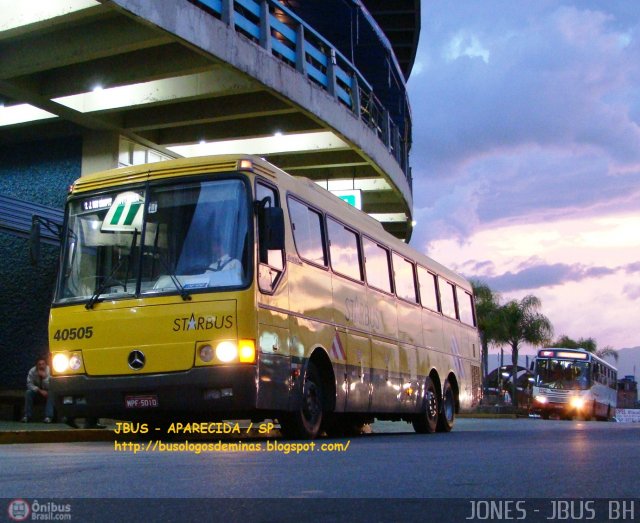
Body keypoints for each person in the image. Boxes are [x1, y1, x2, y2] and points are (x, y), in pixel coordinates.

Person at [22, 355, 54, 423]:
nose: (41, 366)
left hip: (47, 391)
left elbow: (52, 385)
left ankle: (48, 417)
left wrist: (45, 378)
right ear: (36, 365)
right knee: (28, 393)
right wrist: (39, 390)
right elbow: (29, 384)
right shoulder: (32, 371)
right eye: (39, 364)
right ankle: (27, 416)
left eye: (43, 364)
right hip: (37, 391)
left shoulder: (50, 370)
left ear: (46, 365)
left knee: (52, 394)